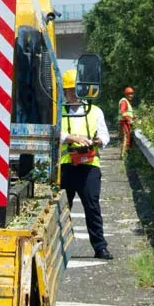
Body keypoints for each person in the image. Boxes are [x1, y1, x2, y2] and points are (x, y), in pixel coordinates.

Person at [59, 68, 112, 259]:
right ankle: (58, 248)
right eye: (68, 90)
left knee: (92, 207)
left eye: (75, 89)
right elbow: (55, 134)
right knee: (63, 209)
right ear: (64, 91)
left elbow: (105, 136)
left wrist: (98, 141)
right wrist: (73, 138)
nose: (72, 93)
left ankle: (100, 247)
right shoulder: (59, 112)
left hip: (89, 166)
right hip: (66, 167)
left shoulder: (95, 111)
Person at [118, 86, 135, 160]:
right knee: (126, 138)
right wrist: (129, 120)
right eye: (129, 94)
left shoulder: (127, 102)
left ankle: (125, 154)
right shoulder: (124, 101)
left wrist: (134, 116)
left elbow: (129, 112)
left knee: (127, 138)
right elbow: (123, 112)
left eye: (132, 94)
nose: (131, 95)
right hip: (124, 122)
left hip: (126, 122)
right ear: (126, 94)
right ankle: (123, 156)